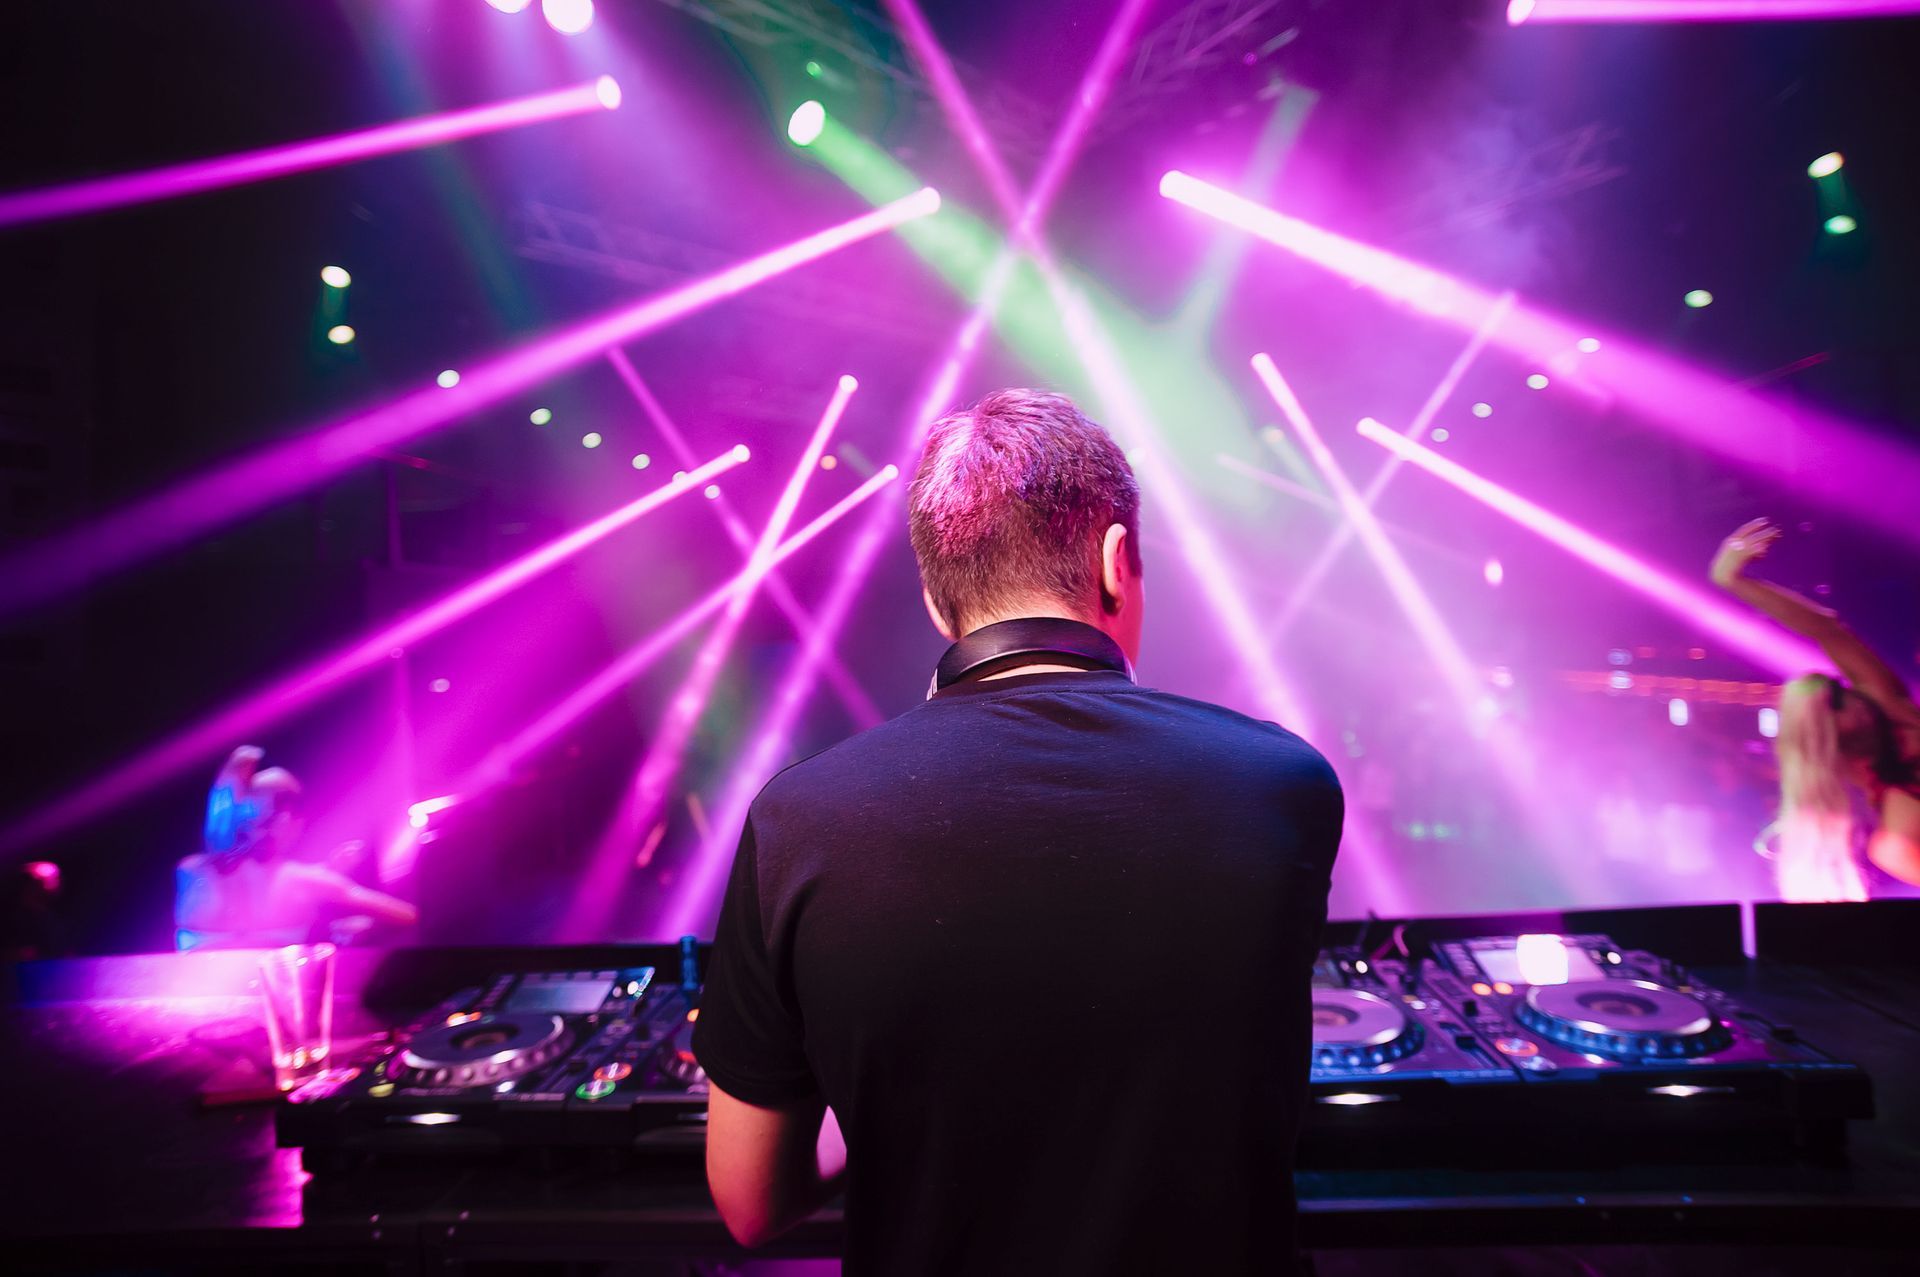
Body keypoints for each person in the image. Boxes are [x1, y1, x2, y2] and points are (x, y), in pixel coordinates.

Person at [692, 389, 1344, 1275]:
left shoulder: (801, 817)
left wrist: (871, 1108)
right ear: (1120, 561)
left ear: (935, 599)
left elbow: (748, 1200)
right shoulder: (1282, 783)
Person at [1711, 518, 1920, 899]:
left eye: (1840, 687)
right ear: (1830, 735)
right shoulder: (1896, 833)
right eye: (1837, 699)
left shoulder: (1890, 708)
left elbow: (1827, 630)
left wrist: (1735, 582)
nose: (1851, 689)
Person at [174, 746, 418, 950]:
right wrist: (367, 927)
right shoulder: (308, 880)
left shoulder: (191, 871)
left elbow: (223, 842)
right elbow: (406, 916)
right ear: (288, 822)